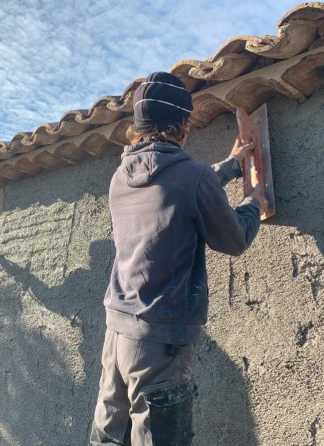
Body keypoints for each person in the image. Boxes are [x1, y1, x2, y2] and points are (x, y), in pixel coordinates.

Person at [90, 72, 267, 446]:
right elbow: (233, 238)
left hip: (117, 332)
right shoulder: (192, 176)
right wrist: (254, 203)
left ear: (139, 125)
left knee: (108, 438)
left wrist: (231, 165)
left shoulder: (120, 176)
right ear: (182, 124)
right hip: (159, 340)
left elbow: (178, 190)